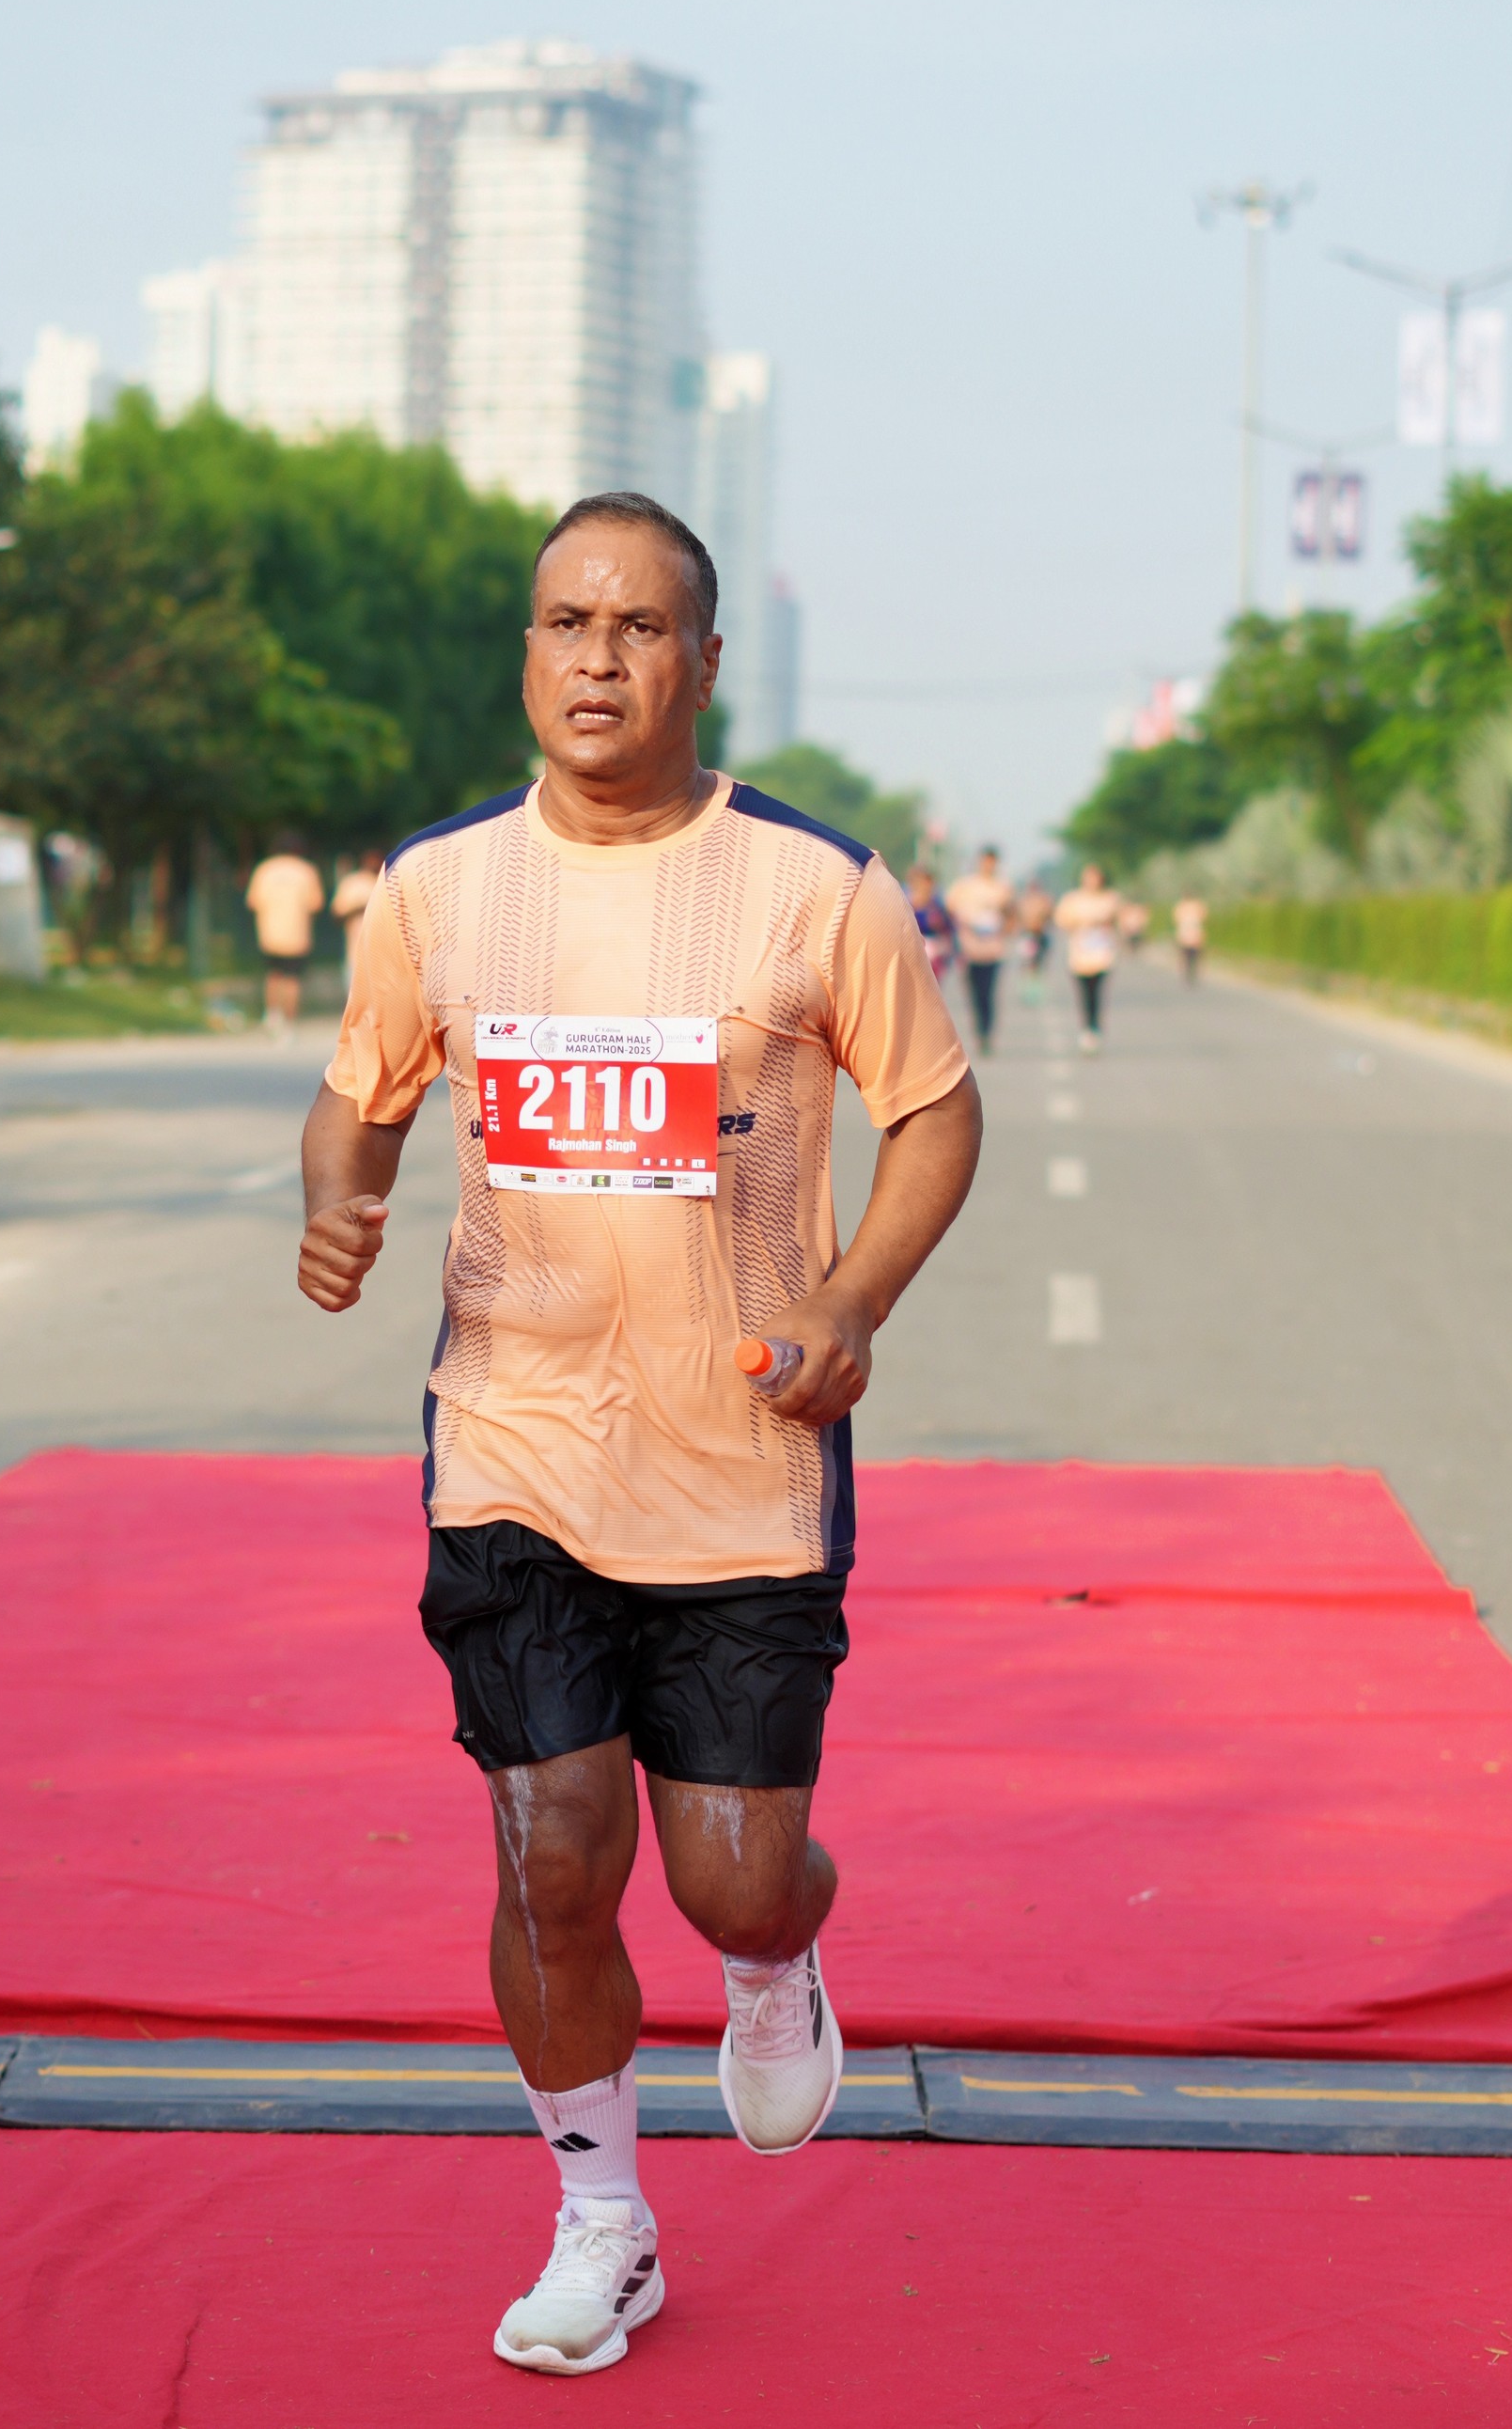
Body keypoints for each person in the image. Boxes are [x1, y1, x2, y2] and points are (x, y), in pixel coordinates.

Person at [296, 490, 980, 2379]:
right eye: (562, 624)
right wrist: (337, 1197)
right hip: (511, 1444)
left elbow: (933, 1111)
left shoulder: (813, 887)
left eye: (636, 626)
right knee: (549, 1856)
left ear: (701, 662)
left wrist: (852, 1302)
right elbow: (359, 1093)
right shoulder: (436, 886)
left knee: (727, 1874)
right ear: (526, 653)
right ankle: (600, 2220)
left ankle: (772, 1960)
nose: (594, 658)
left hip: (740, 1457)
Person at [943, 842, 1018, 1057]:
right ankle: (979, 1031)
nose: (988, 865)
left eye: (992, 862)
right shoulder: (964, 886)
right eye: (985, 861)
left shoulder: (1003, 887)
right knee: (974, 992)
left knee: (989, 992)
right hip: (969, 948)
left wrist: (1006, 927)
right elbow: (950, 911)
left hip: (993, 948)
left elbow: (1011, 914)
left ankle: (987, 1032)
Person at [245, 835, 324, 1033]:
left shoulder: (264, 869)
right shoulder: (306, 871)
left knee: (273, 976)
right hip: (296, 934)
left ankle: (272, 1016)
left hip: (269, 934)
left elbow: (253, 901)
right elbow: (316, 903)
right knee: (292, 980)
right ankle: (289, 1023)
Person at [1054, 860, 1123, 1053]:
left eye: (1095, 876)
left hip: (1102, 955)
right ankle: (1087, 1029)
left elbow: (1119, 920)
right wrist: (1082, 922)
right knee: (1084, 994)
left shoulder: (1110, 898)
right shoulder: (1072, 899)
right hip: (1080, 956)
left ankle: (1095, 1028)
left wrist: (1105, 922)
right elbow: (1062, 921)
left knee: (1098, 993)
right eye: (1088, 876)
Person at [330, 849, 385, 991]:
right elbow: (337, 915)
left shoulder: (387, 880)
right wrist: (359, 908)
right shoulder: (352, 883)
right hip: (356, 950)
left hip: (385, 952)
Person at [904, 863, 956, 984]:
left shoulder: (937, 906)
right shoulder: (905, 904)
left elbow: (948, 930)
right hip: (912, 956)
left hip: (935, 959)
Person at [1174, 891, 1208, 985]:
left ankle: (1186, 972)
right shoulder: (1198, 905)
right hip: (1194, 933)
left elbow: (1176, 918)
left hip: (1186, 933)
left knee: (1186, 955)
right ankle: (1193, 972)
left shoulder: (1181, 905)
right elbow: (1204, 916)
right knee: (1195, 955)